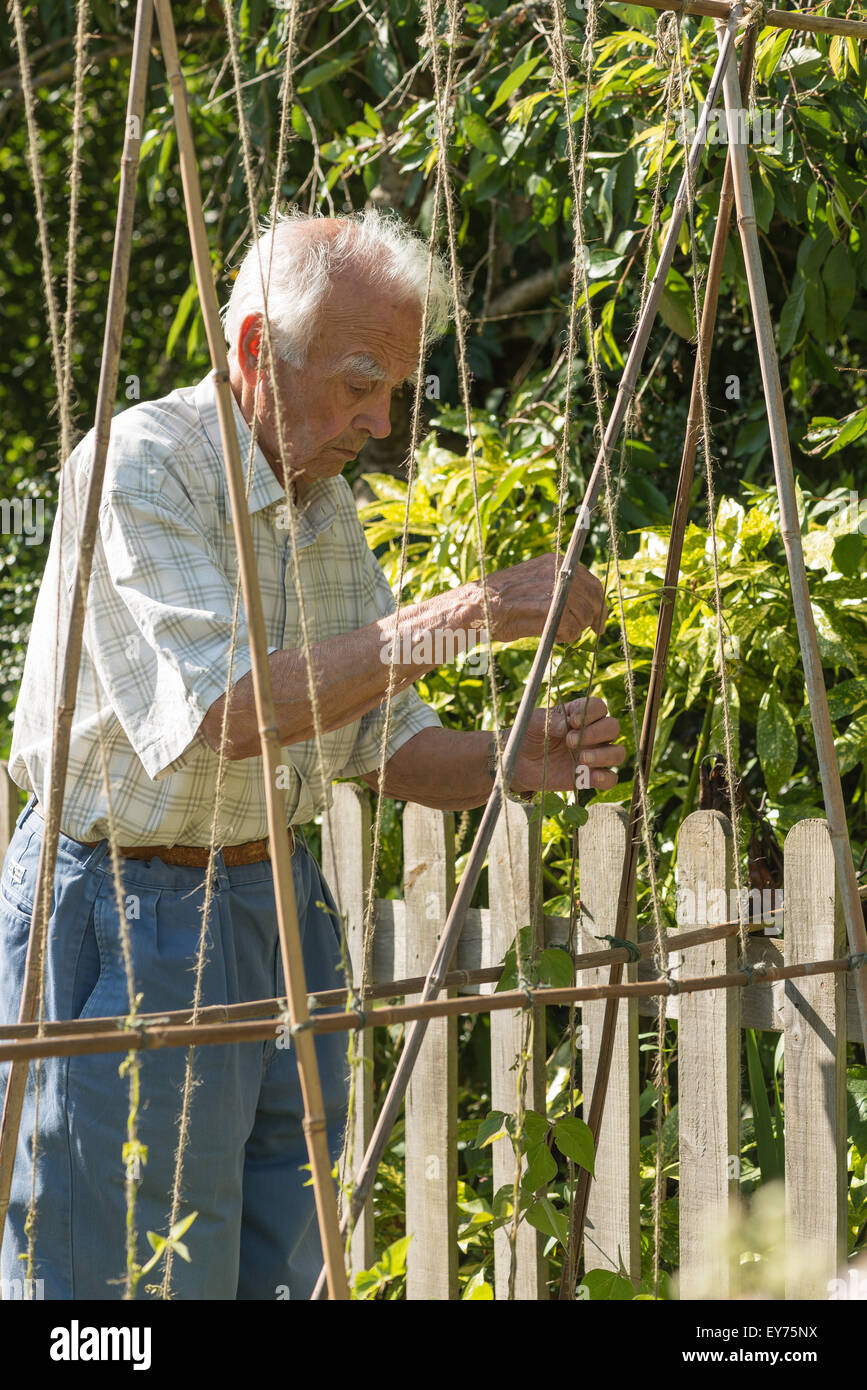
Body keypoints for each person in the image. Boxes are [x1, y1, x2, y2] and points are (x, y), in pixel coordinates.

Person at [0, 209, 624, 1300]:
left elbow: (377, 745)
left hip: (275, 901)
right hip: (120, 910)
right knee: (114, 1286)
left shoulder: (321, 505)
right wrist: (470, 614)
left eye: (395, 390)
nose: (380, 422)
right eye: (357, 382)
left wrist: (509, 760)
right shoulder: (143, 469)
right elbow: (232, 713)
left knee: (282, 1264)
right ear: (252, 352)